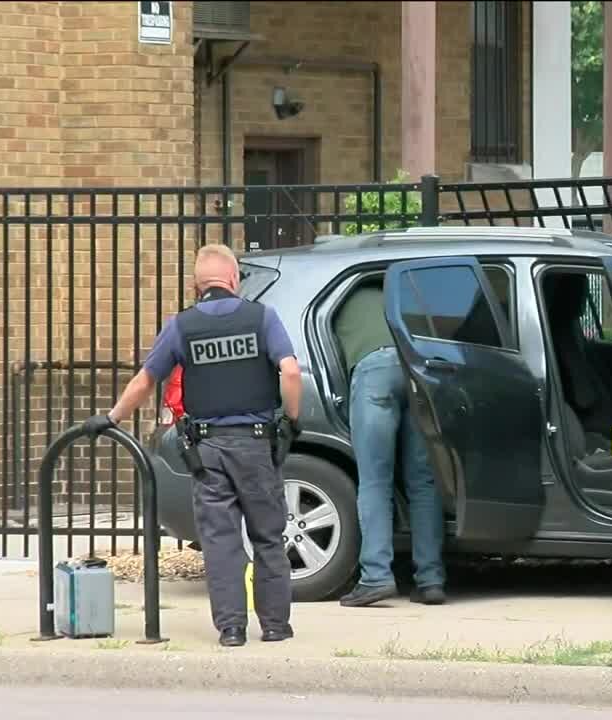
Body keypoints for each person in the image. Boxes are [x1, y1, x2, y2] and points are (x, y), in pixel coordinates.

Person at [82, 243, 303, 647]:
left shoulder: (182, 326)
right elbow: (290, 371)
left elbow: (146, 380)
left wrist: (111, 418)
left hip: (207, 451)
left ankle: (232, 629)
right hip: (256, 447)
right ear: (234, 279)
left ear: (194, 286)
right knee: (268, 536)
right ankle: (275, 626)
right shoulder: (262, 317)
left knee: (220, 541)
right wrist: (291, 419)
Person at [333, 277, 446, 607]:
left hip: (373, 372)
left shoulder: (339, 293)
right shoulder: (401, 296)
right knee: (424, 482)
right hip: (415, 371)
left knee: (374, 481)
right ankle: (431, 579)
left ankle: (376, 577)